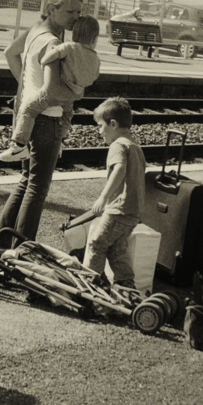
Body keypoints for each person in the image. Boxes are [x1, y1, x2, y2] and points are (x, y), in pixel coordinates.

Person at [0, 0, 84, 251]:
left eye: (79, 12)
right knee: (37, 189)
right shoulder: (54, 43)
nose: (76, 18)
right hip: (48, 120)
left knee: (26, 182)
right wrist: (74, 92)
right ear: (52, 9)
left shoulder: (35, 30)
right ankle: (23, 251)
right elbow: (54, 89)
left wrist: (28, 87)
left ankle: (1, 247)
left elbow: (10, 54)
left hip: (29, 116)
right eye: (70, 12)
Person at [0, 15, 101, 162]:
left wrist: (44, 62)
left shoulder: (69, 47)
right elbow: (94, 76)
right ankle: (59, 142)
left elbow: (50, 56)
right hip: (73, 93)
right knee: (67, 116)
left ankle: (19, 145)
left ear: (75, 34)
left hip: (55, 92)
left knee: (28, 109)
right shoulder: (95, 57)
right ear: (95, 38)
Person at [85, 97, 146, 289]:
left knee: (97, 243)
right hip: (132, 212)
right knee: (117, 251)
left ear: (113, 124)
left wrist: (103, 197)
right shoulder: (135, 146)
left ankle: (89, 284)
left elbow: (119, 169)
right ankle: (126, 286)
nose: (99, 131)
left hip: (118, 209)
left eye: (101, 125)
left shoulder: (118, 145)